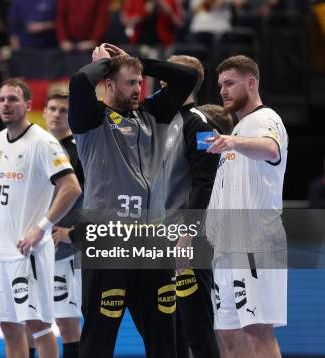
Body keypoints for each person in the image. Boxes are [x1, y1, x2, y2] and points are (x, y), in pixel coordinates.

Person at [68, 44, 197, 357]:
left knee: (165, 340)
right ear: (109, 83)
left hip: (152, 241)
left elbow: (188, 77)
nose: (138, 88)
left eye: (140, 82)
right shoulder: (92, 118)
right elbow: (79, 83)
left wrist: (137, 63)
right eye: (130, 82)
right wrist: (104, 64)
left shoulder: (153, 113)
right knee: (98, 340)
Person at [0, 78, 82, 358]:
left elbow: (72, 187)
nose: (6, 104)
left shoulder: (42, 141)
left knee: (39, 327)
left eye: (13, 99)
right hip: (0, 251)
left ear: (28, 105)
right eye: (2, 99)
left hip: (28, 251)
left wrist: (42, 227)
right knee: (9, 327)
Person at [205, 54, 288, 358]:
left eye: (230, 83)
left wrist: (234, 143)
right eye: (220, 85)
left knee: (257, 330)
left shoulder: (266, 120)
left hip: (256, 242)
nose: (223, 91)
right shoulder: (236, 130)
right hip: (226, 247)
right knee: (227, 331)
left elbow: (270, 148)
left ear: (251, 83)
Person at [161, 55, 222, 358]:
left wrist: (186, 236)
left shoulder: (199, 123)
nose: (161, 80)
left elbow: (204, 183)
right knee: (171, 329)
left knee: (196, 326)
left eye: (168, 75)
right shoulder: (163, 120)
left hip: (188, 241)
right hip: (162, 237)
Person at [44, 88, 84, 358]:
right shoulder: (34, 145)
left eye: (64, 110)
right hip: (33, 246)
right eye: (53, 109)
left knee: (67, 323)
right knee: (31, 322)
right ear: (44, 112)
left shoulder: (81, 149)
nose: (57, 115)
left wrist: (75, 233)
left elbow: (95, 197)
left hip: (66, 249)